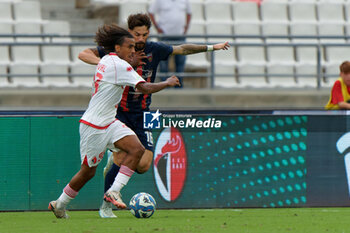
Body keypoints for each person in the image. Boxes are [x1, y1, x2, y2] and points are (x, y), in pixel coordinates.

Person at [78, 13, 229, 218]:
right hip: (118, 111)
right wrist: (105, 64)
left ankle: (113, 164)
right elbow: (83, 53)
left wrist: (212, 47)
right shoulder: (118, 50)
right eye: (136, 34)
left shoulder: (154, 49)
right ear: (129, 33)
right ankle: (106, 206)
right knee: (124, 155)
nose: (140, 39)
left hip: (146, 112)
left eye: (145, 35)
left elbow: (182, 49)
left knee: (144, 164)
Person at [48, 23, 180, 219]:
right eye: (130, 47)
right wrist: (167, 82)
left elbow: (122, 74)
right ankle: (60, 204)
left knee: (137, 150)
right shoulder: (119, 65)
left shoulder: (109, 61)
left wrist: (132, 63)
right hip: (94, 126)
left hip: (112, 121)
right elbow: (143, 87)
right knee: (87, 173)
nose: (134, 50)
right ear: (117, 48)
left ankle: (113, 191)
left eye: (135, 47)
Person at [148, 0, 192, 87]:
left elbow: (189, 13)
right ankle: (163, 86)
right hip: (164, 36)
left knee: (180, 62)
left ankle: (179, 85)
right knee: (163, 62)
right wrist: (157, 27)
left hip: (180, 36)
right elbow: (151, 12)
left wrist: (186, 27)